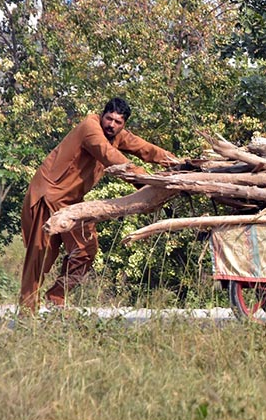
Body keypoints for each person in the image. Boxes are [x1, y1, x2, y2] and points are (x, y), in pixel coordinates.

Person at [19, 97, 179, 313]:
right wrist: (147, 179)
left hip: (71, 201)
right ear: (102, 116)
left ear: (123, 124)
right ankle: (27, 310)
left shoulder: (116, 135)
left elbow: (144, 148)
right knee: (40, 253)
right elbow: (110, 156)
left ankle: (57, 294)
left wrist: (177, 163)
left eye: (117, 122)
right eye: (109, 119)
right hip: (49, 194)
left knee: (87, 249)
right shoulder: (90, 128)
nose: (111, 125)